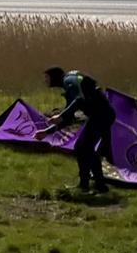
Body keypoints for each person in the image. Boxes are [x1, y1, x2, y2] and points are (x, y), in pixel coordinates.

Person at [38, 65, 115, 193]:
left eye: (47, 78)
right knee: (83, 148)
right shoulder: (70, 81)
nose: (45, 81)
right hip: (100, 115)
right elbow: (68, 118)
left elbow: (78, 100)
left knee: (84, 148)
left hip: (102, 115)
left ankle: (96, 186)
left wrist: (61, 116)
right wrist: (46, 132)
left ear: (54, 77)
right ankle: (92, 185)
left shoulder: (68, 80)